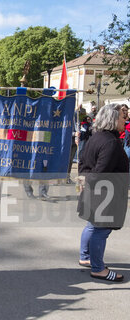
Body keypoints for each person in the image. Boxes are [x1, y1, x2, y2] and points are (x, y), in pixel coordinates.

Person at [77, 103, 128, 282]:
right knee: (101, 230)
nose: (126, 120)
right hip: (105, 194)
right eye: (123, 117)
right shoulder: (110, 142)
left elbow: (82, 162)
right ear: (113, 119)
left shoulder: (96, 137)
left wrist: (84, 180)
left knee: (92, 226)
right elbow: (101, 171)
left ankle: (85, 257)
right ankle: (98, 268)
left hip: (95, 191)